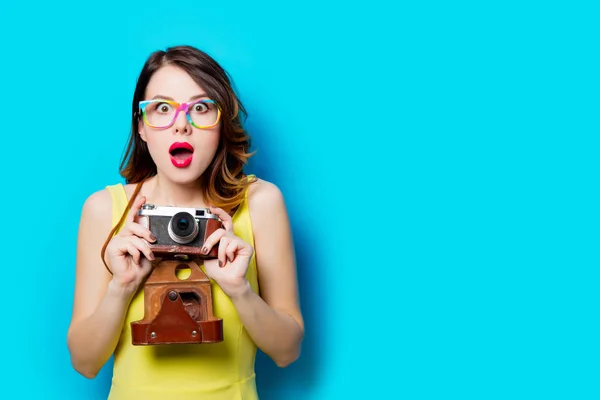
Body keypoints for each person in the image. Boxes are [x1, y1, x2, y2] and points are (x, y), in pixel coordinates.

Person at [67, 45, 304, 400]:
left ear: (221, 123)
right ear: (142, 128)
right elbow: (85, 364)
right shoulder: (105, 209)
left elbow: (287, 352)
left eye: (201, 108)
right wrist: (122, 286)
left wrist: (239, 290)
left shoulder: (260, 203)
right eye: (162, 108)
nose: (182, 124)